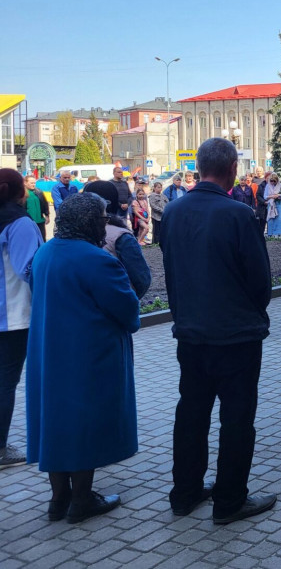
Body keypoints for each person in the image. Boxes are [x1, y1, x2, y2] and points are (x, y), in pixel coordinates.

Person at [160, 138, 275, 524]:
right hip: (236, 335)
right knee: (237, 419)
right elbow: (260, 280)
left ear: (199, 167)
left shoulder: (173, 211)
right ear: (232, 169)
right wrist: (253, 313)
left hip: (190, 332)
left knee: (191, 413)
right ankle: (229, 501)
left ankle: (185, 493)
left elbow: (171, 269)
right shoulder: (239, 214)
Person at [26, 193, 139, 523]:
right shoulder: (97, 259)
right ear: (90, 221)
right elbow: (128, 311)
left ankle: (59, 499)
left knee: (56, 421)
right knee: (83, 423)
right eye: (102, 218)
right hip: (89, 354)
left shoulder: (45, 252)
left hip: (48, 352)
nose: (105, 224)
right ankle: (82, 500)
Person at [0, 170, 43, 470]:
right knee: (6, 382)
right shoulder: (20, 223)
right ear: (19, 192)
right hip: (13, 316)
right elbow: (29, 270)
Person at [82, 181, 152, 299]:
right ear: (113, 202)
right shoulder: (120, 235)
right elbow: (141, 279)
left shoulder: (71, 233)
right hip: (115, 301)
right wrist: (128, 301)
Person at [24, 175, 50, 242]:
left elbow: (44, 203)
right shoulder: (22, 193)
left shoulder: (39, 191)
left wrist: (47, 215)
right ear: (25, 183)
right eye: (31, 183)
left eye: (34, 183)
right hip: (28, 222)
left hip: (40, 221)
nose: (33, 184)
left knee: (42, 239)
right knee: (30, 240)